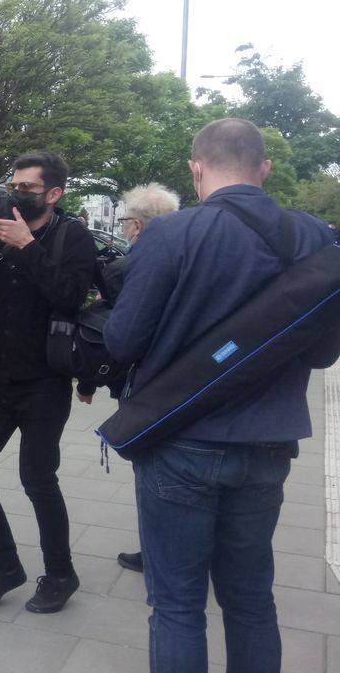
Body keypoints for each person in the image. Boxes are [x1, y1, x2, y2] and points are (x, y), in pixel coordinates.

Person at [106, 119, 340, 672]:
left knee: (178, 606)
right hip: (270, 445)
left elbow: (122, 339)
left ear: (195, 168)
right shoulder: (313, 238)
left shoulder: (169, 234)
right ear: (265, 169)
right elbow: (323, 353)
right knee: (252, 600)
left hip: (180, 440)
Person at [0, 152, 97, 614]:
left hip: (45, 381)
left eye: (28, 189)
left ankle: (60, 573)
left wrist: (29, 246)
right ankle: (7, 565)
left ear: (54, 194)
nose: (18, 195)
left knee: (37, 478)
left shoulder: (72, 236)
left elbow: (72, 297)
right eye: (15, 186)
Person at [73, 183, 180, 574]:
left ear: (135, 226)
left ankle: (159, 551)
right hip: (188, 380)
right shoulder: (194, 260)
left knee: (150, 469)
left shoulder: (126, 268)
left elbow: (116, 336)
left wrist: (86, 382)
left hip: (143, 385)